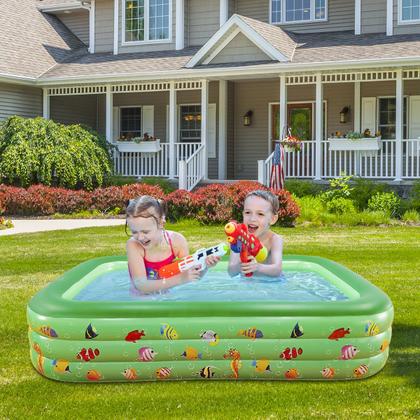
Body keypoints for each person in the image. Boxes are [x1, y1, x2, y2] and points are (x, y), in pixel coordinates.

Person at [126, 195, 218, 294]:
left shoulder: (177, 241)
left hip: (168, 294)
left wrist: (205, 265)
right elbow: (141, 285)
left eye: (145, 232)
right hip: (141, 297)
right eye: (134, 232)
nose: (140, 237)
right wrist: (179, 279)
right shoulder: (134, 245)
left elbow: (191, 275)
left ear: (161, 223)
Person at [228, 190, 283, 278]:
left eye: (260, 214)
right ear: (243, 214)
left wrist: (258, 267)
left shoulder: (274, 239)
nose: (252, 218)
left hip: (270, 284)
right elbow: (231, 271)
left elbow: (277, 269)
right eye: (248, 212)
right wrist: (240, 265)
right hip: (247, 284)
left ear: (272, 219)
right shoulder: (238, 238)